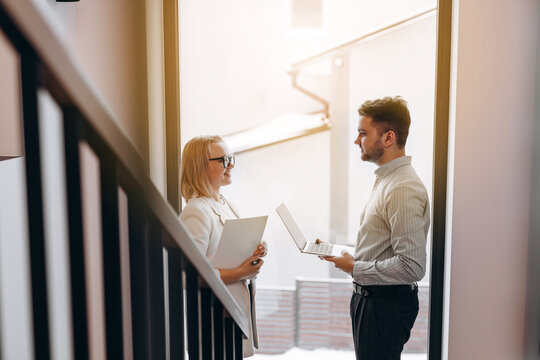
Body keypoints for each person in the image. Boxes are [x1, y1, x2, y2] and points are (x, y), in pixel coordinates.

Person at [319, 96, 430, 359]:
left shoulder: (402, 188)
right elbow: (381, 246)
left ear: (388, 138)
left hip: (383, 305)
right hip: (371, 300)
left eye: (363, 133)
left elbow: (411, 266)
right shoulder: (387, 180)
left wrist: (353, 266)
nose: (357, 141)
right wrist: (342, 252)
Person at [179, 135, 267, 358]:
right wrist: (241, 272)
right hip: (213, 318)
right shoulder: (196, 211)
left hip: (233, 315)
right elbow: (185, 275)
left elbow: (227, 250)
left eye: (232, 158)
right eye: (224, 159)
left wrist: (255, 249)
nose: (231, 165)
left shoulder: (227, 204)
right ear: (200, 166)